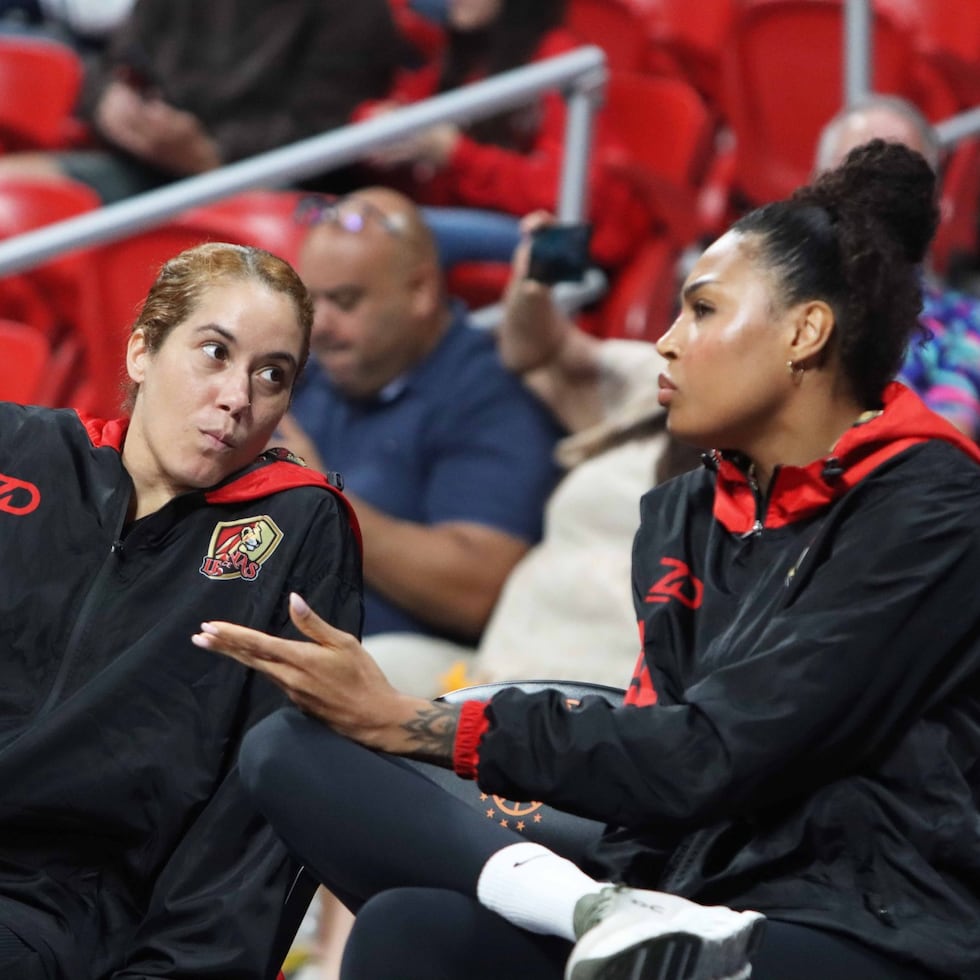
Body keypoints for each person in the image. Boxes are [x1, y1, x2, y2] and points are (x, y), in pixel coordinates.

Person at [196, 140, 980, 980]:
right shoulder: (682, 511)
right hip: (679, 891)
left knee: (400, 765)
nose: (668, 344)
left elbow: (713, 756)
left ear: (805, 331)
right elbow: (656, 777)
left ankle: (621, 917)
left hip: (860, 917)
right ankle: (597, 913)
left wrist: (416, 725)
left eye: (704, 311)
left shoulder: (931, 503)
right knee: (326, 806)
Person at [0, 242, 363, 978]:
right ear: (141, 351)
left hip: (58, 908)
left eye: (272, 375)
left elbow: (259, 809)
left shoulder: (296, 529)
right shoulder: (20, 453)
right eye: (213, 353)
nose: (237, 398)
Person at [276, 186, 563, 695]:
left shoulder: (488, 397)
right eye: (309, 300)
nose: (318, 325)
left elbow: (476, 591)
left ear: (421, 292)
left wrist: (319, 494)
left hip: (392, 672)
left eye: (344, 301)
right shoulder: (312, 370)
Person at [0, 0, 403, 203]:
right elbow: (111, 64)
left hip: (264, 195)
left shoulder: (354, 10)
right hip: (145, 167)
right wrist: (110, 102)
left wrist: (207, 153)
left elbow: (326, 136)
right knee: (11, 185)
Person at [352, 0, 650, 271]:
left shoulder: (560, 57)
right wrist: (379, 122)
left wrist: (455, 154)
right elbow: (386, 109)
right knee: (349, 220)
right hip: (492, 226)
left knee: (400, 231)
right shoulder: (458, 55)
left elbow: (570, 194)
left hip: (570, 250)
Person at [815, 94, 980, 440]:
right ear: (818, 184)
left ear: (932, 201)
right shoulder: (772, 298)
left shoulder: (966, 324)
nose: (875, 196)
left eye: (898, 179)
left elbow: (946, 438)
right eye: (853, 173)